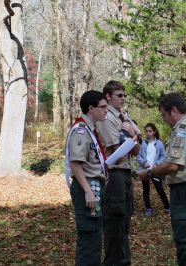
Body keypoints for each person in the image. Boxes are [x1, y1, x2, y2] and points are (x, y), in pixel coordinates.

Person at [137, 92, 186, 266]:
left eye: (163, 114)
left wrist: (149, 173)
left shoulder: (182, 132)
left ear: (174, 110)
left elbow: (172, 165)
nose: (163, 119)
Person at [96, 80, 141, 266]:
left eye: (124, 95)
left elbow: (137, 149)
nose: (123, 99)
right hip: (114, 174)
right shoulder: (107, 118)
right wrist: (132, 138)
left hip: (126, 174)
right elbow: (117, 152)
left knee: (124, 223)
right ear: (108, 96)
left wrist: (132, 133)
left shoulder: (125, 118)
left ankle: (123, 262)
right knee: (115, 223)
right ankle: (114, 262)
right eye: (119, 95)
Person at [65, 90, 108, 266]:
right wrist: (88, 191)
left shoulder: (91, 129)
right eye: (103, 107)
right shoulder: (81, 131)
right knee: (89, 236)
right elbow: (75, 163)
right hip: (88, 188)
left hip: (94, 185)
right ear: (91, 108)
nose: (106, 110)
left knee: (95, 236)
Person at [136, 123, 170, 216]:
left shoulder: (159, 143)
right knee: (146, 189)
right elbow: (138, 156)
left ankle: (168, 207)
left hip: (155, 170)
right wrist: (144, 163)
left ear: (154, 131)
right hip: (144, 170)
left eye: (150, 131)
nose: (148, 133)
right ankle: (148, 208)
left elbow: (163, 156)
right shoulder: (143, 143)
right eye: (146, 131)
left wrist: (156, 163)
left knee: (159, 188)